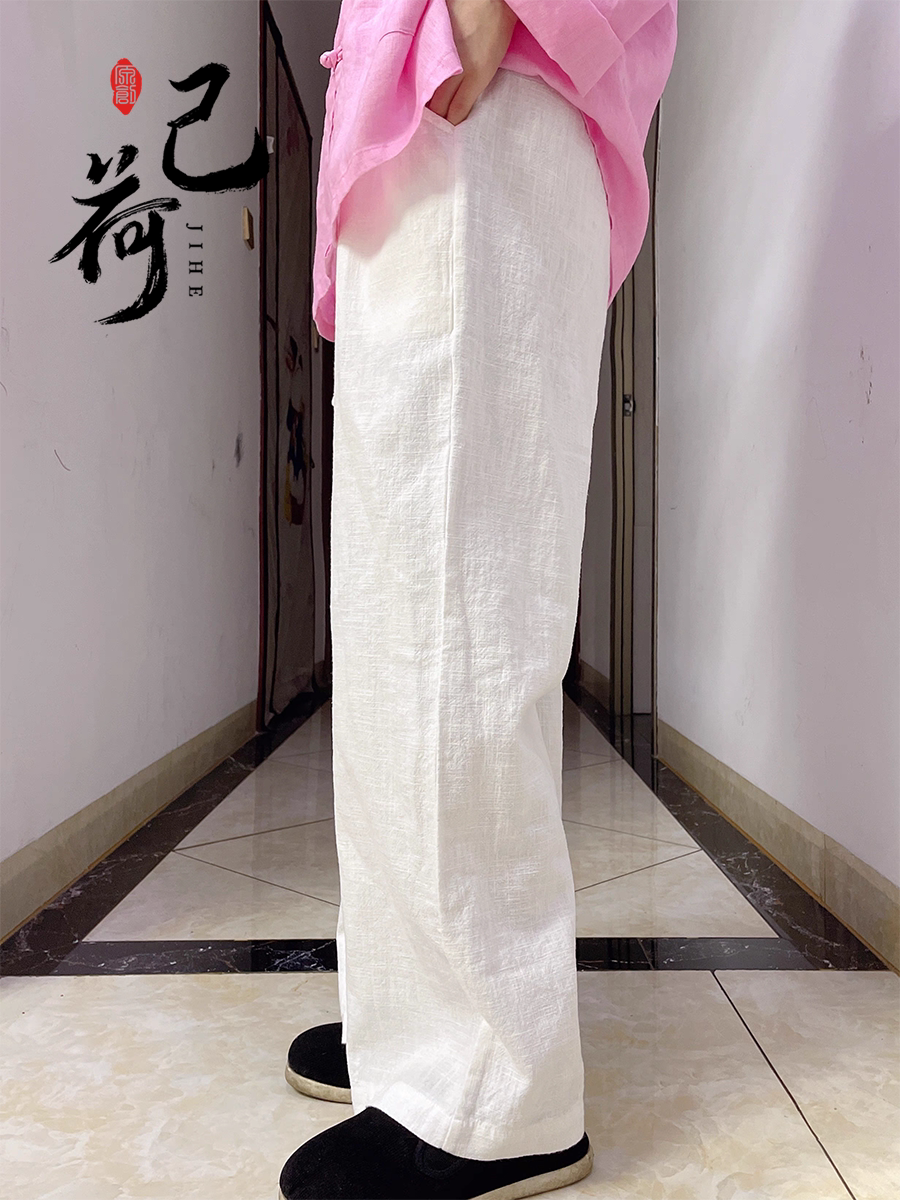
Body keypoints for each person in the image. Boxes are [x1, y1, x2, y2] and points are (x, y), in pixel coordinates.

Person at [278, 2, 678, 1196]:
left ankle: (493, 1089)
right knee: (400, 614)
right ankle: (411, 1014)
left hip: (484, 93)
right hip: (422, 105)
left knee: (461, 605)